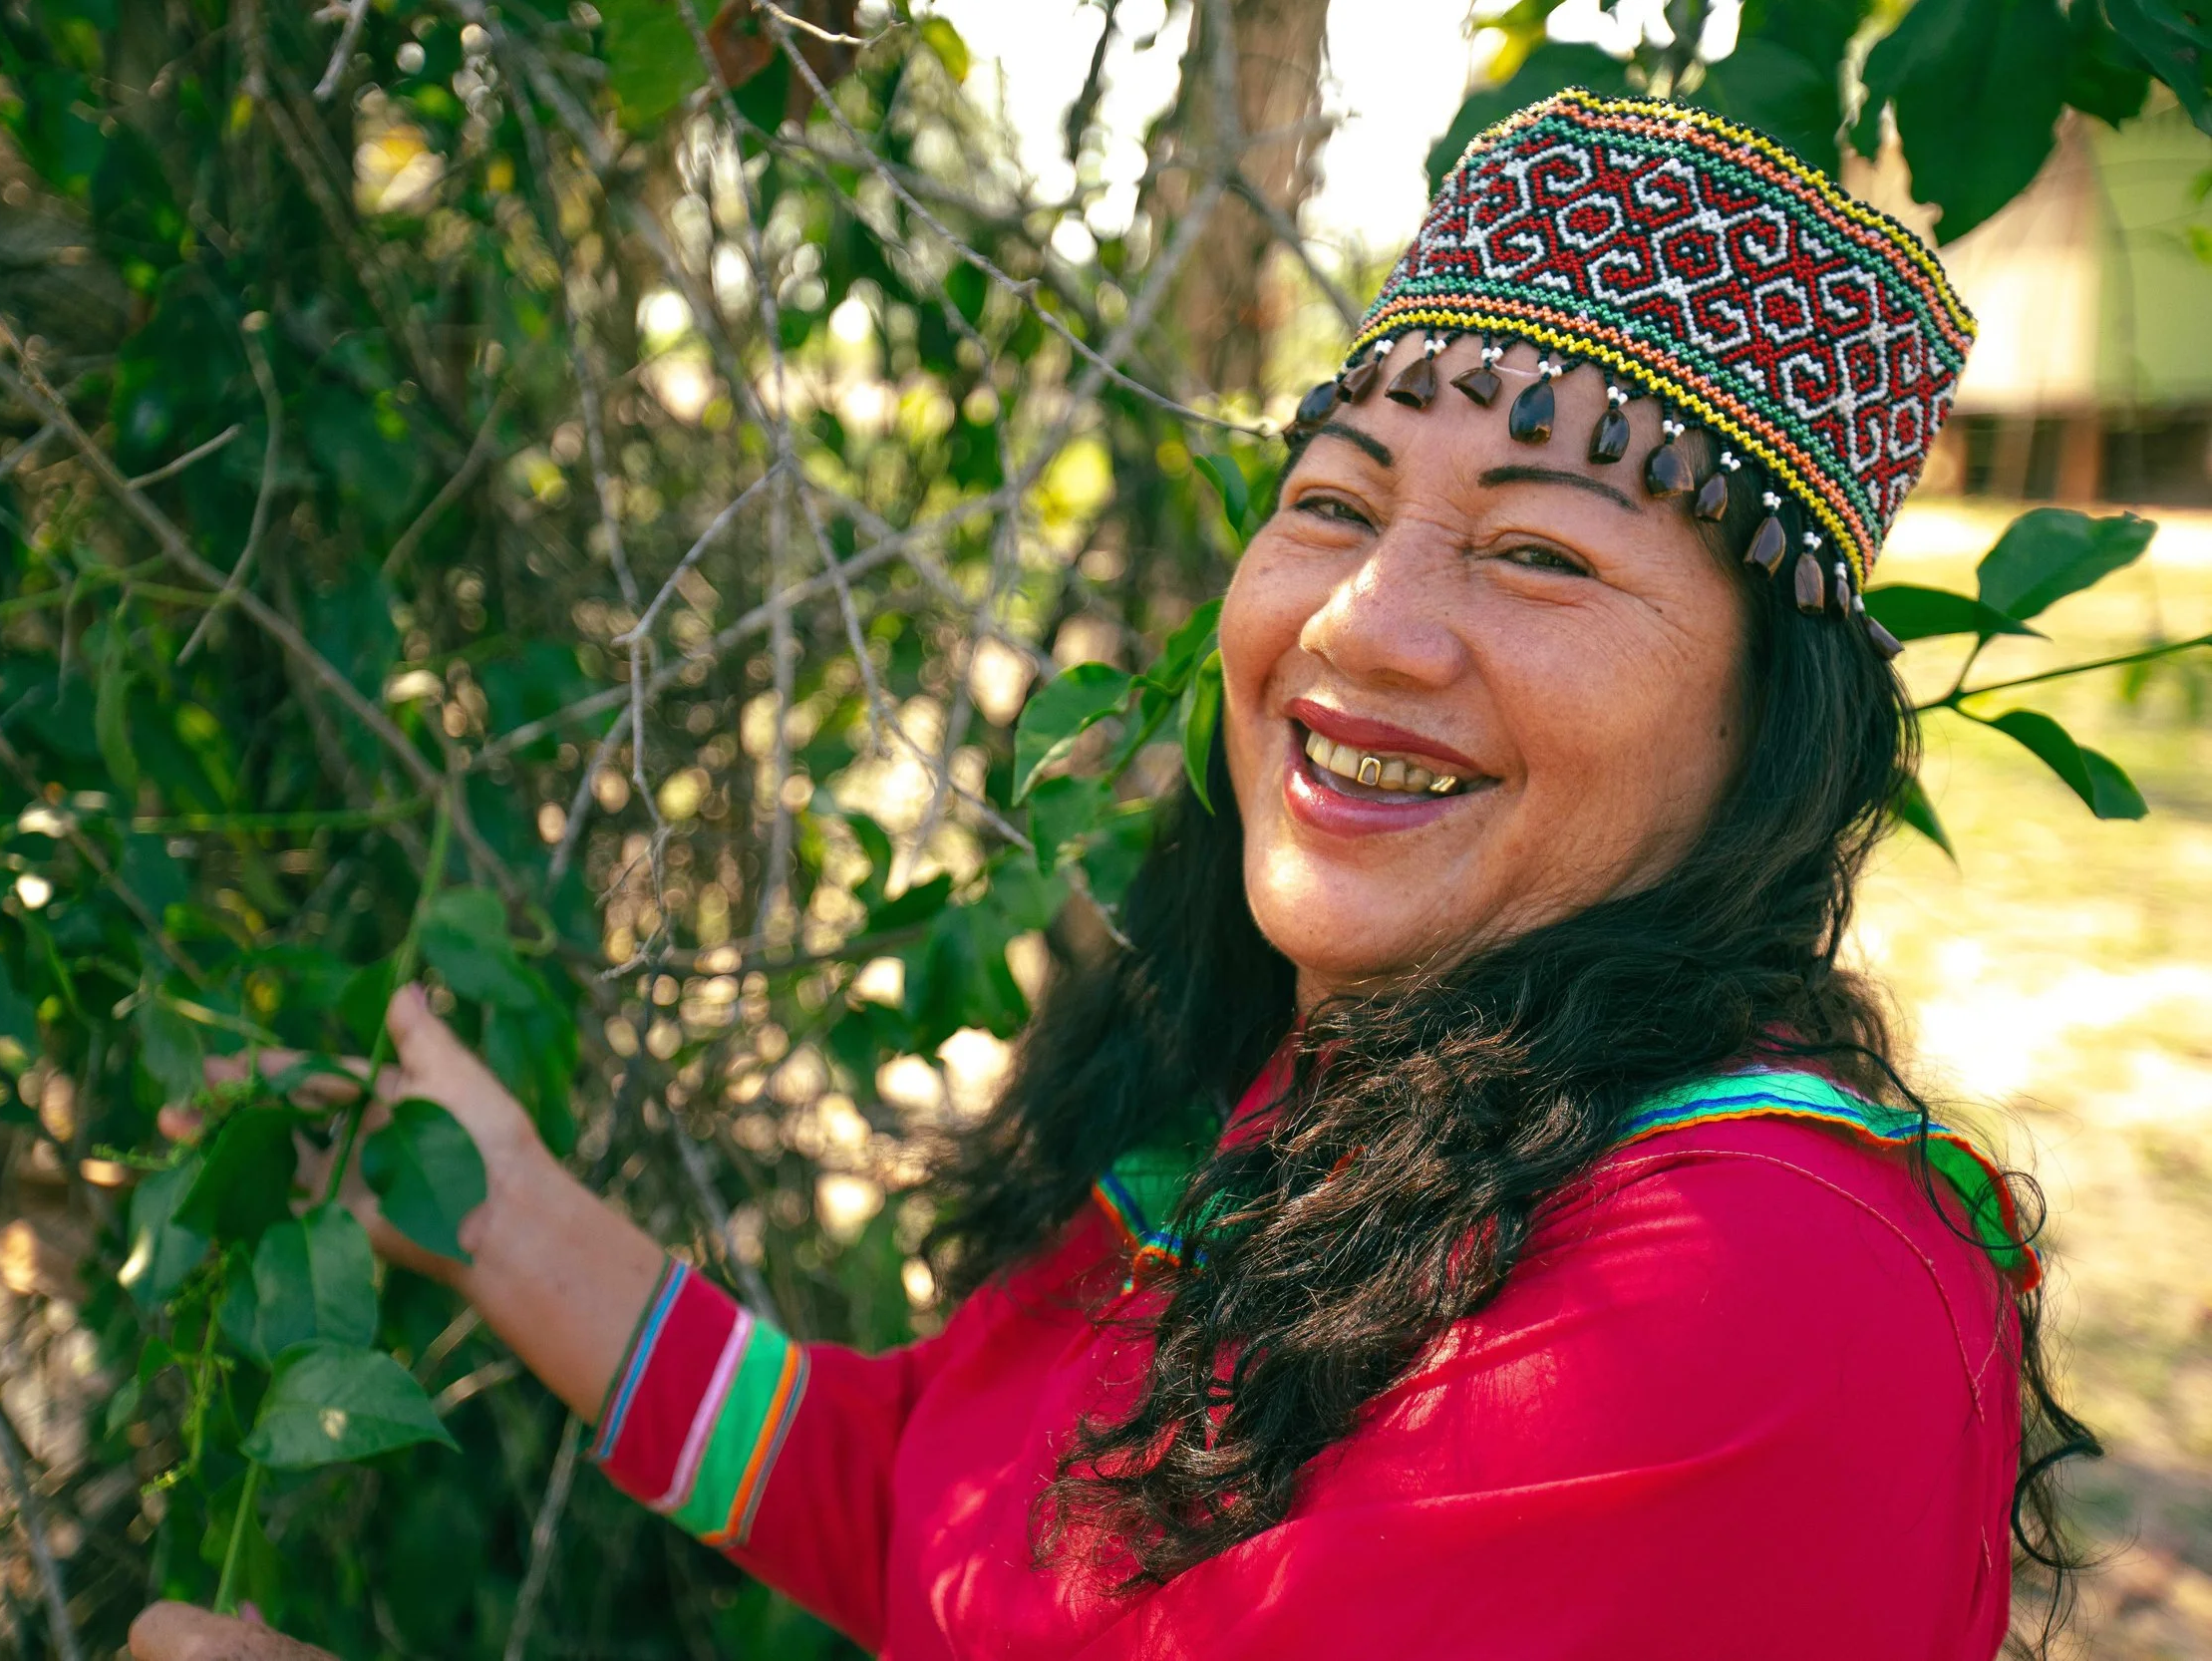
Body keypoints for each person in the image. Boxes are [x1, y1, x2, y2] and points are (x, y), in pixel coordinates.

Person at [132, 91, 2094, 1660]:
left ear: (1767, 736)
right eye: (1327, 506)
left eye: (1537, 554)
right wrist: (490, 1216)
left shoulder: (1754, 1279)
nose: (1357, 623)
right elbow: (944, 1516)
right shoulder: (1323, 1108)